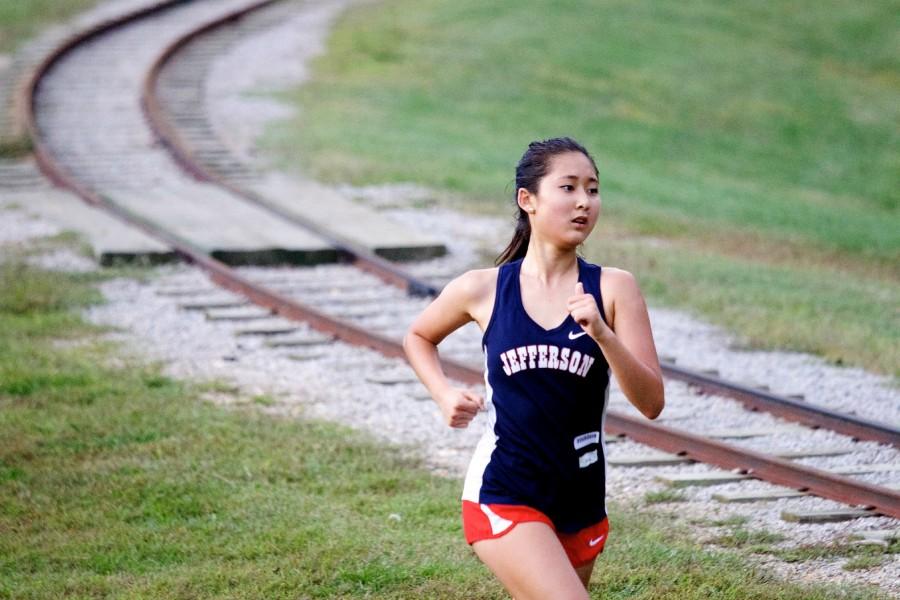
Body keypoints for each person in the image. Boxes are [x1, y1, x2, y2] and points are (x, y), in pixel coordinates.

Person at [403, 137, 664, 599]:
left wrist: (603, 334)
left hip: (580, 498)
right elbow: (419, 336)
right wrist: (444, 394)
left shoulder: (615, 288)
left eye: (593, 189)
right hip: (504, 490)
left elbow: (651, 403)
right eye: (568, 188)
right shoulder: (481, 289)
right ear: (529, 200)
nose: (584, 201)